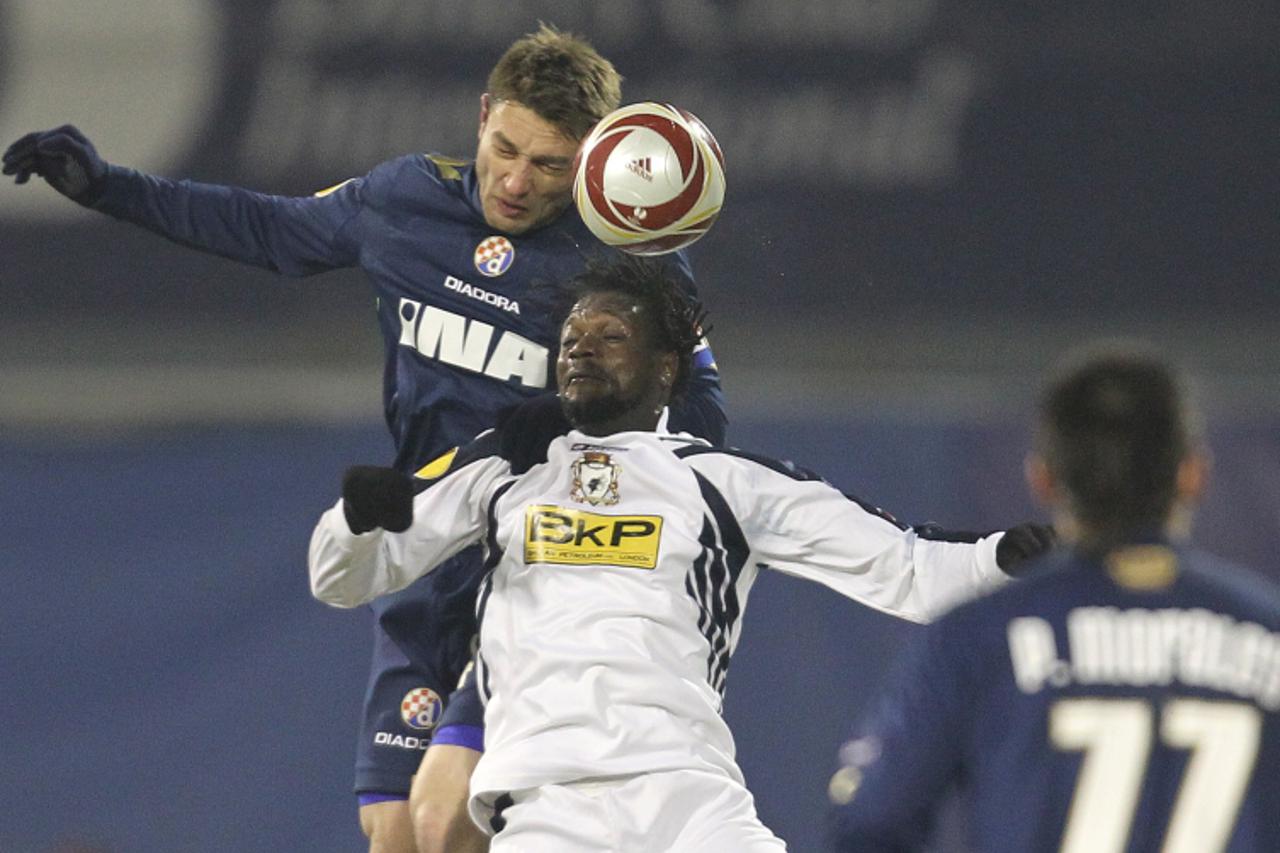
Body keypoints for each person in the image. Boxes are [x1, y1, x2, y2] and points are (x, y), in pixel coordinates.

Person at [3, 25, 726, 853]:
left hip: (544, 568)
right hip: (422, 558)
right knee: (393, 832)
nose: (517, 181)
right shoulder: (405, 200)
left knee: (446, 816)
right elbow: (270, 229)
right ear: (483, 115)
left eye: (550, 165)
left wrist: (575, 421)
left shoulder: (631, 262)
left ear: (594, 161)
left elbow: (703, 418)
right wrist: (108, 189)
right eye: (505, 149)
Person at [307, 255, 1053, 851]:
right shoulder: (502, 468)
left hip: (688, 798)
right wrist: (357, 520)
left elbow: (909, 568)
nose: (582, 348)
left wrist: (1008, 559)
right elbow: (342, 578)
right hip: (544, 809)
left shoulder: (723, 482)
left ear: (666, 369)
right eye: (571, 338)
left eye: (609, 336)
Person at [827, 344, 1280, 853]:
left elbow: (872, 824)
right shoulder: (1268, 633)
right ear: (1193, 473)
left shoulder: (983, 636)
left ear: (1042, 477)